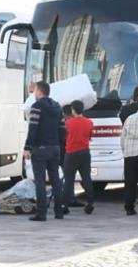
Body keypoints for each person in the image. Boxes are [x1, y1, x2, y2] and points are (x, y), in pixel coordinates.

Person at [23, 80, 67, 222]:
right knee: (56, 180)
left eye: (35, 90)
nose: (34, 93)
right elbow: (63, 129)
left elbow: (33, 129)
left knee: (40, 181)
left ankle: (41, 214)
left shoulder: (36, 107)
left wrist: (27, 148)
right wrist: (59, 145)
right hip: (55, 148)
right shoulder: (57, 107)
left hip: (40, 149)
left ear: (40, 91)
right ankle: (59, 212)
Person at [62, 100, 95, 214]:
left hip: (71, 153)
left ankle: (65, 206)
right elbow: (90, 136)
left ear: (73, 110)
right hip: (85, 152)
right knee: (86, 178)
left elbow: (63, 137)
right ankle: (90, 203)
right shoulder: (89, 122)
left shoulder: (67, 123)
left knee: (69, 180)